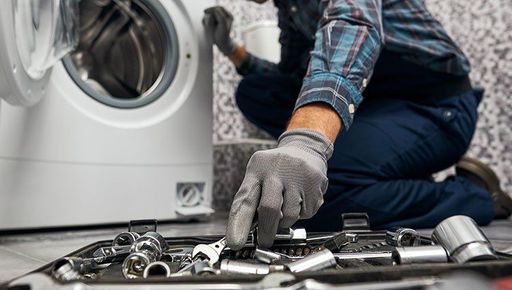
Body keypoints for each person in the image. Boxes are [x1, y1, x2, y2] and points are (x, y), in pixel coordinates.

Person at [203, 0, 512, 250]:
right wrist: (232, 50)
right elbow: (291, 78)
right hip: (377, 106)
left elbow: (353, 25)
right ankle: (380, 167)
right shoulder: (289, 8)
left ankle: (474, 195)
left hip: (436, 107)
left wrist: (307, 141)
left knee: (322, 201)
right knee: (256, 90)